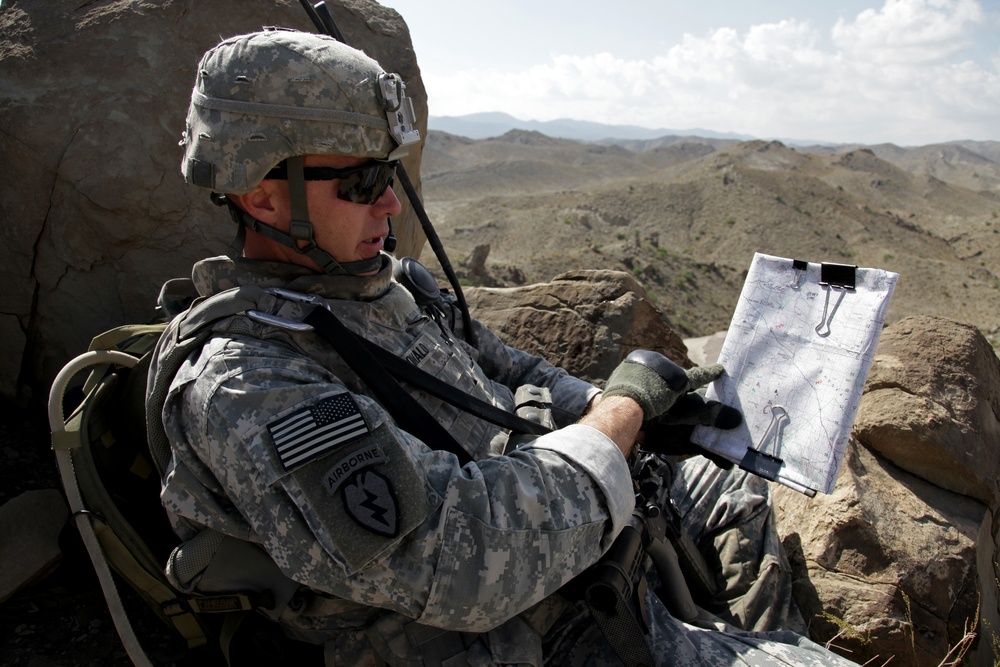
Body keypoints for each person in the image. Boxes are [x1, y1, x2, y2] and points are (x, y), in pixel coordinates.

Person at [148, 27, 858, 666]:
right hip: (521, 630)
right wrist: (616, 421)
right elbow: (461, 561)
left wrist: (614, 405)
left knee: (726, 482)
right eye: (363, 181)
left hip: (565, 530)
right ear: (264, 198)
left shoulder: (389, 288)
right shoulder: (247, 384)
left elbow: (506, 366)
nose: (391, 204)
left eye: (389, 173)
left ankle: (748, 641)